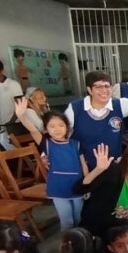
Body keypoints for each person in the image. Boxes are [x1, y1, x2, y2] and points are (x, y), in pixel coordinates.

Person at [16, 98, 85, 230]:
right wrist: (22, 116)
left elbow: (83, 165)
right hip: (58, 189)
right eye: (52, 126)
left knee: (78, 219)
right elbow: (33, 130)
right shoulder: (46, 143)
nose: (57, 129)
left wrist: (87, 185)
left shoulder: (76, 144)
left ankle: (79, 245)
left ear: (67, 127)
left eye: (61, 125)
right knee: (67, 222)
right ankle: (67, 247)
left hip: (78, 188)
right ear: (46, 129)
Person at [65, 71, 128, 170]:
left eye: (107, 86)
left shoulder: (118, 105)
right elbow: (62, 135)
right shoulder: (75, 108)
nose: (104, 90)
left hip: (113, 167)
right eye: (98, 87)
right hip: (84, 168)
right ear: (89, 90)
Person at [74, 142, 128, 240]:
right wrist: (98, 169)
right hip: (97, 229)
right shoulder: (113, 170)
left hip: (123, 231)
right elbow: (79, 189)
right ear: (127, 156)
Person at [0, 58, 24, 131]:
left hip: (15, 124)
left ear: (2, 71)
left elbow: (20, 105)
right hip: (1, 124)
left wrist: (11, 123)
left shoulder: (13, 84)